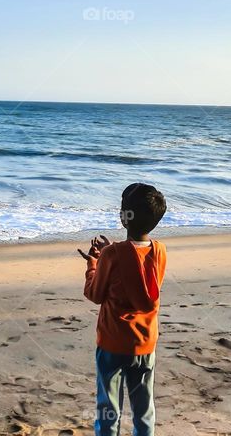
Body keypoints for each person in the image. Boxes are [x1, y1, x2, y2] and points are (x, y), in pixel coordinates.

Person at [79, 183, 168, 436]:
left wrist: (93, 264)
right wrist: (114, 249)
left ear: (125, 216)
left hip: (113, 342)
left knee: (108, 409)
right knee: (143, 409)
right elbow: (137, 267)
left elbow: (94, 294)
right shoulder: (160, 251)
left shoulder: (111, 255)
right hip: (145, 342)